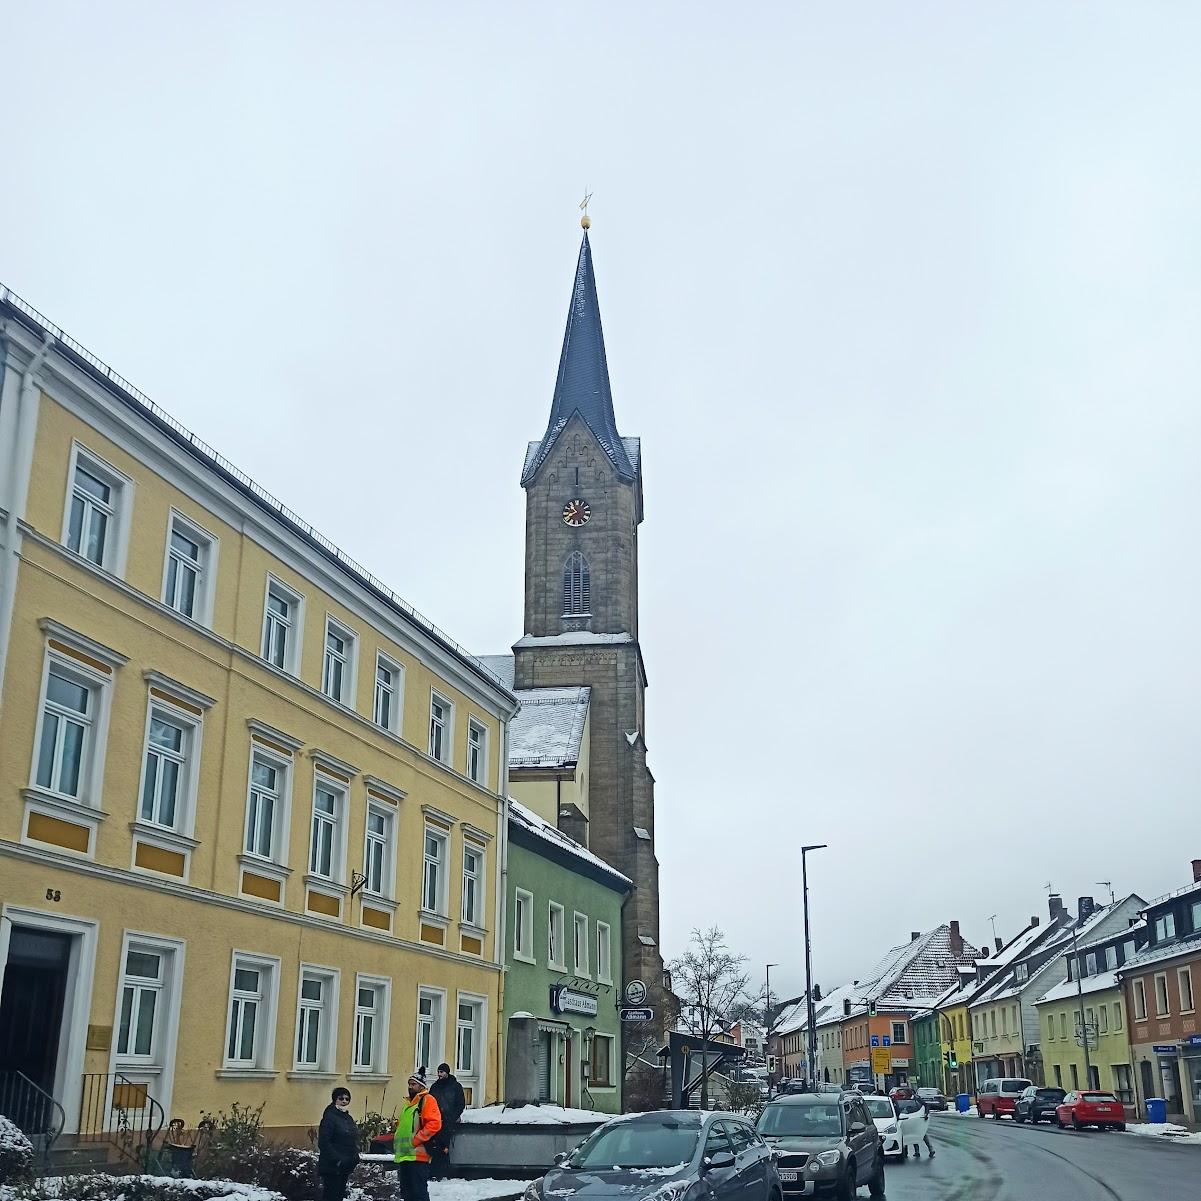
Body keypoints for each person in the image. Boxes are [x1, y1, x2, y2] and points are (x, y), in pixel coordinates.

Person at [394, 1070, 442, 1201]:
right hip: (405, 1156)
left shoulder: (427, 1100)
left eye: (413, 1084)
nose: (410, 1087)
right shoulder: (409, 1104)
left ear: (421, 1086)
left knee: (418, 1193)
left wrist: (416, 1140)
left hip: (418, 1156)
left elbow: (434, 1123)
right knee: (407, 1193)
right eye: (409, 1084)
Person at [317, 1087, 360, 1201]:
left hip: (344, 1165)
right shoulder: (329, 1117)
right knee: (331, 1196)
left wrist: (354, 1157)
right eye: (341, 1098)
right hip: (332, 1166)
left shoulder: (347, 1117)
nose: (344, 1101)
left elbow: (352, 1138)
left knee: (339, 1195)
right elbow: (324, 1142)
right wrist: (337, 1159)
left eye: (347, 1099)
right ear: (335, 1099)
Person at [428, 1062, 467, 1178]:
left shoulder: (455, 1086)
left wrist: (452, 1117)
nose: (439, 1074)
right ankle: (436, 1172)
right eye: (438, 1072)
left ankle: (443, 1172)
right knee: (435, 1146)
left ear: (447, 1072)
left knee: (444, 1147)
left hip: (448, 1122)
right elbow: (430, 1101)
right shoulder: (435, 1086)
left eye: (441, 1072)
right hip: (436, 1120)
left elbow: (460, 1104)